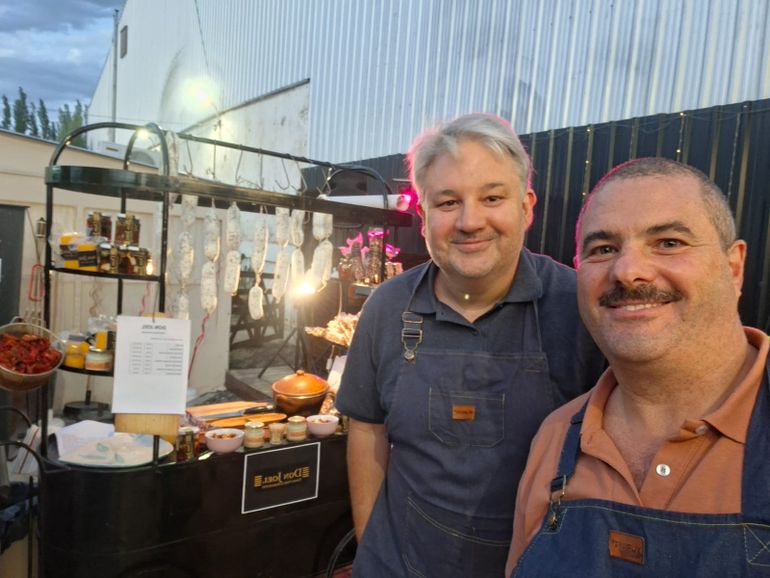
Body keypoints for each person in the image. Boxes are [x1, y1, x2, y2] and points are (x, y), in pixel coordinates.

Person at [335, 113, 605, 577]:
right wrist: (371, 550)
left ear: (526, 207)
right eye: (447, 202)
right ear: (423, 217)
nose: (469, 221)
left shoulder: (578, 308)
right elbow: (366, 432)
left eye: (492, 197)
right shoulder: (387, 306)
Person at [506, 157, 770, 577]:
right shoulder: (556, 440)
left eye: (668, 242)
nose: (627, 271)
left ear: (733, 267)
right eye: (603, 249)